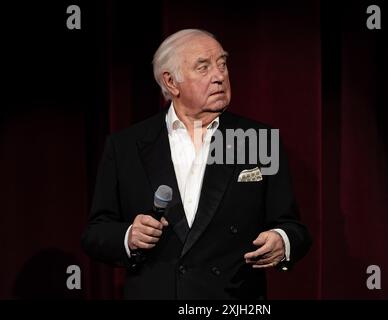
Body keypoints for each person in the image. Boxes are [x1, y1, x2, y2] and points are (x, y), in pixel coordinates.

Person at [81, 29, 311, 299]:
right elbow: (95, 233)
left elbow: (293, 227)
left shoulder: (258, 140)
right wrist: (129, 236)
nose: (219, 76)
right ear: (172, 82)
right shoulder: (125, 146)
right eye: (203, 67)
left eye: (222, 64)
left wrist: (282, 241)